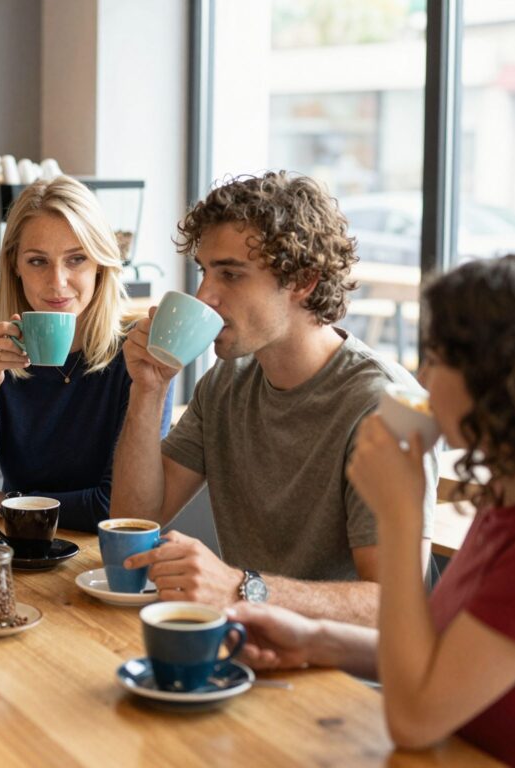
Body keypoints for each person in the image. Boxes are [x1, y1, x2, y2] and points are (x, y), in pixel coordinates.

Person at [229, 254, 515, 765]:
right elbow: (439, 659)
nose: (422, 374)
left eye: (439, 358)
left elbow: (414, 719)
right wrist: (313, 640)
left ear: (498, 380)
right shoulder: (508, 499)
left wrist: (400, 519)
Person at [111, 171, 438, 625]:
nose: (204, 295)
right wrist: (150, 389)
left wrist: (242, 588)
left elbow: (395, 606)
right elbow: (134, 522)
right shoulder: (226, 382)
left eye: (230, 274)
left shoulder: (386, 409)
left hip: (344, 682)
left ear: (304, 281)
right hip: (247, 651)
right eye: (204, 271)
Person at [0, 176, 173, 532]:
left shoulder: (139, 359)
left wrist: (11, 503)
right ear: (14, 266)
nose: (57, 281)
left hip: (104, 560)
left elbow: (115, 510)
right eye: (37, 261)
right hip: (25, 551)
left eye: (76, 259)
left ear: (100, 264)